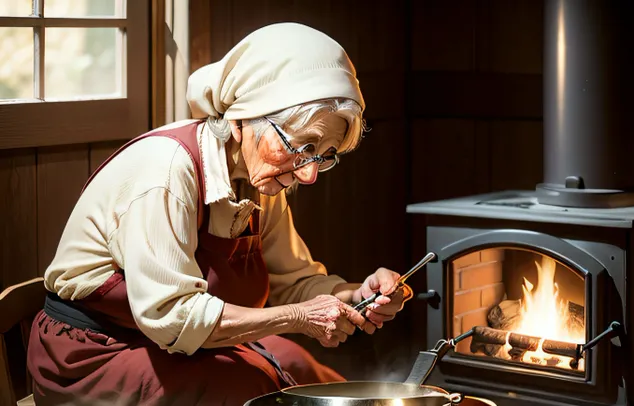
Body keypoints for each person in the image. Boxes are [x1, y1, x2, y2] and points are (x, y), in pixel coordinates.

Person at [26, 22, 412, 406]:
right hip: (96, 354)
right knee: (251, 389)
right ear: (244, 120)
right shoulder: (166, 172)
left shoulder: (264, 180)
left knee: (310, 377)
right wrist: (298, 317)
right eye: (302, 145)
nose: (308, 173)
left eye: (324, 155)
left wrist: (353, 295)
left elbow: (291, 282)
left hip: (178, 346)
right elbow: (174, 317)